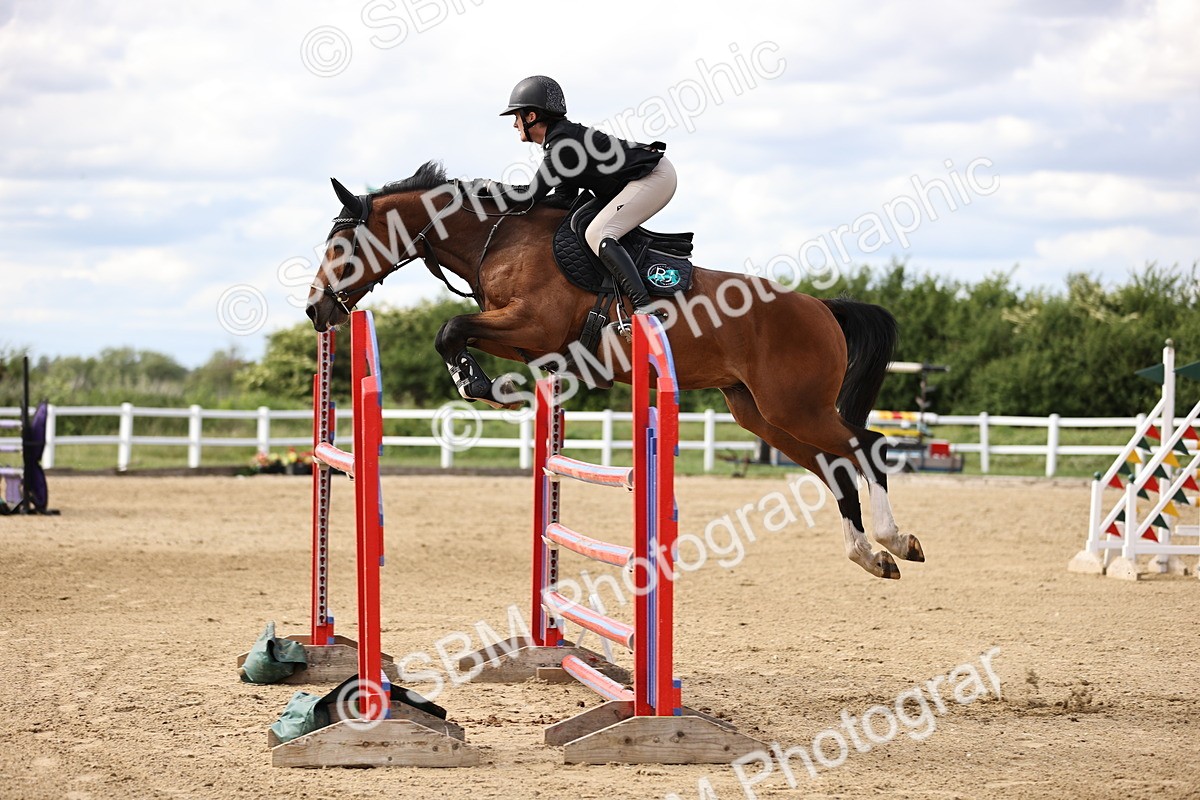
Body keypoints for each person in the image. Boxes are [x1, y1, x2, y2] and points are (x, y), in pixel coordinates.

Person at [494, 75, 677, 318]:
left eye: (516, 117)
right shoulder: (560, 140)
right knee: (583, 223)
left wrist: (488, 187)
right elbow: (563, 199)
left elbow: (530, 196)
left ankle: (645, 308)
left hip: (653, 177)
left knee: (598, 233)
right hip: (637, 180)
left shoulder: (562, 144)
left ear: (531, 117)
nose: (514, 125)